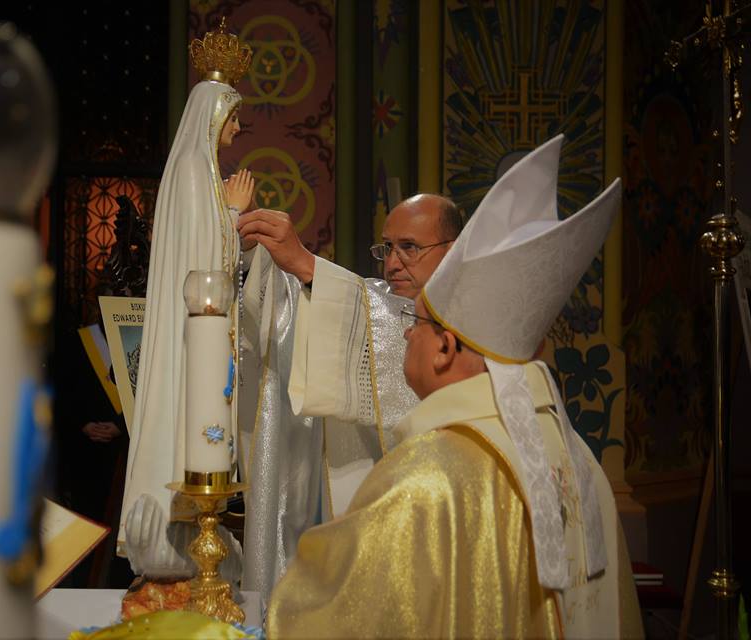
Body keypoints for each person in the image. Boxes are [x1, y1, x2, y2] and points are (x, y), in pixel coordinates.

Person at [266, 135, 644, 638]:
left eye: (417, 325)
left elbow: (333, 616)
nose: (405, 332)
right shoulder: (582, 465)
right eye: (388, 248)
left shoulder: (427, 481)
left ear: (445, 347)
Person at [236, 194, 462, 598]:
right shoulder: (378, 297)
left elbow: (369, 319)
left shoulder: (471, 323)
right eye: (387, 247)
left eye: (409, 247)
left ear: (453, 250)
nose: (393, 263)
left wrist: (307, 265)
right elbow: (298, 311)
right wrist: (260, 254)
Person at [117, 20, 254, 577]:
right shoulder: (197, 171)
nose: (238, 128)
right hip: (192, 333)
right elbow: (206, 270)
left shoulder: (200, 171)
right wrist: (236, 214)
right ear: (213, 115)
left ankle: (197, 533)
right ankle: (179, 536)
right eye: (233, 117)